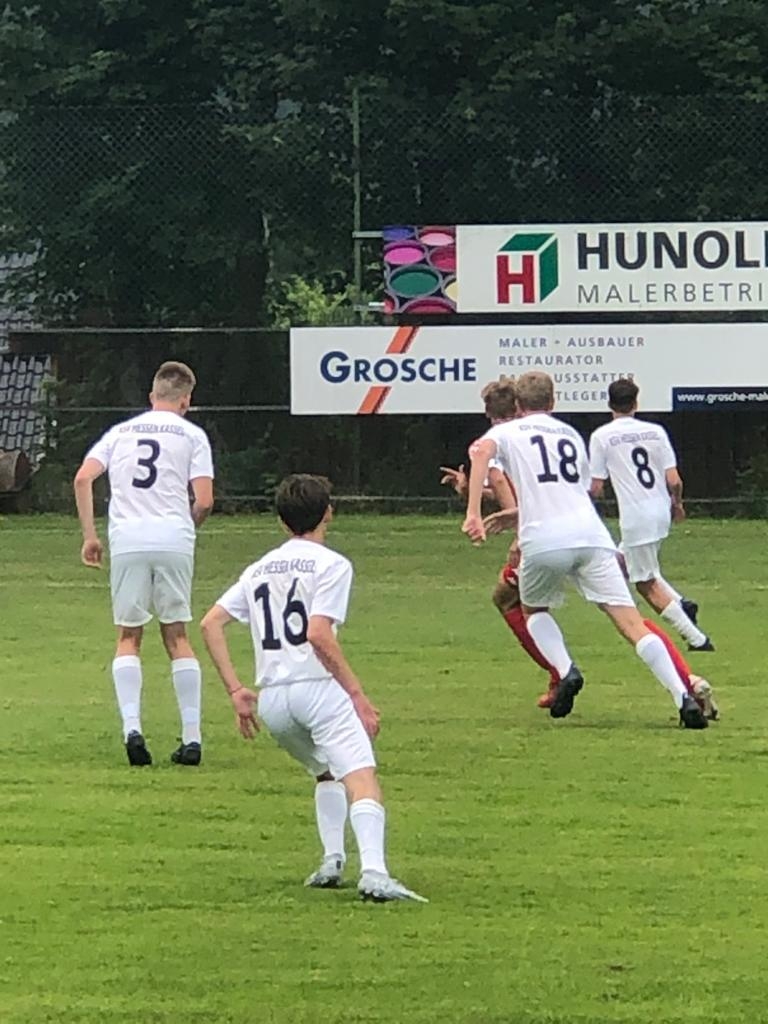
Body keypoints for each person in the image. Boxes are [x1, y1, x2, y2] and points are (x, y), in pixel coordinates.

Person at [200, 473, 427, 903]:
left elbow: (211, 623)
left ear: (281, 521)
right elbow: (318, 632)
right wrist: (357, 695)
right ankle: (375, 873)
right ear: (328, 513)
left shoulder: (258, 569)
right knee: (361, 776)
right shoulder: (332, 564)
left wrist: (235, 690)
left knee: (325, 770)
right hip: (318, 688)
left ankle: (331, 861)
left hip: (274, 699)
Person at [462, 370, 708, 729]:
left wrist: (473, 512)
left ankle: (566, 671)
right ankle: (682, 696)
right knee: (631, 623)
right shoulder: (570, 435)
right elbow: (573, 491)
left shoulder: (507, 431)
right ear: (553, 401)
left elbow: (481, 451)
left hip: (544, 539)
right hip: (592, 536)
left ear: (517, 403)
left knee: (533, 610)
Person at [73, 361, 214, 767]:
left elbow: (83, 478)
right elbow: (204, 500)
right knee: (177, 635)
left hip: (128, 539)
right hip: (173, 537)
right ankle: (192, 738)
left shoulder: (120, 433)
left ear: (152, 396)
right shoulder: (193, 435)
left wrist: (90, 536)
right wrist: (186, 527)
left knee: (128, 636)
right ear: (186, 400)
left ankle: (132, 729)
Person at [440, 379, 560, 708]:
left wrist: (519, 535)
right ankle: (558, 675)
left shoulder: (495, 442)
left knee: (507, 599)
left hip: (536, 535)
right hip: (567, 524)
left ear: (489, 412)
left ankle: (560, 673)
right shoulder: (537, 435)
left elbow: (504, 488)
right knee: (531, 603)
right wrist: (469, 489)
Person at [589, 378, 714, 652]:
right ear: (635, 403)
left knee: (644, 583)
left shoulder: (601, 436)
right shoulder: (656, 432)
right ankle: (682, 603)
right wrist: (677, 504)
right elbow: (674, 480)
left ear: (610, 404)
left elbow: (596, 486)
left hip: (636, 516)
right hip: (659, 510)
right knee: (622, 561)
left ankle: (696, 639)